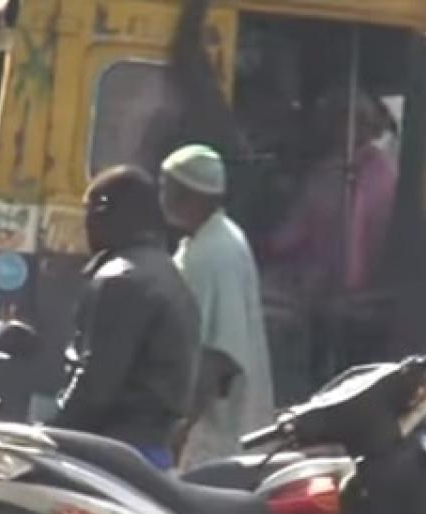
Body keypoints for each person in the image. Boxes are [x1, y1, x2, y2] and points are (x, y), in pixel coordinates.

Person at [54, 165, 199, 470]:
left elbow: (95, 387)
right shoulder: (169, 274)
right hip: (152, 451)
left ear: (104, 211)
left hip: (111, 454)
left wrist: (48, 438)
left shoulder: (120, 279)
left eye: (88, 211)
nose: (86, 225)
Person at [266, 85, 397, 386]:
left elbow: (287, 238)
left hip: (332, 297)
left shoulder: (337, 175)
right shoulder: (387, 172)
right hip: (368, 297)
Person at [159, 144, 274, 467]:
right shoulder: (208, 240)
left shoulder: (213, 253)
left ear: (191, 194)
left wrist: (182, 424)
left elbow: (218, 356)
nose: (161, 197)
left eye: (167, 188)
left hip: (216, 430)